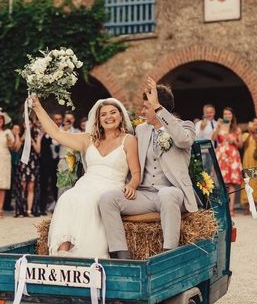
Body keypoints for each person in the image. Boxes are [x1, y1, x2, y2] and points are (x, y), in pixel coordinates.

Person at [31, 94, 140, 258]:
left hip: (111, 186)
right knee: (67, 198)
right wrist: (38, 107)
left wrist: (132, 185)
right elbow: (56, 133)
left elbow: (136, 172)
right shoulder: (88, 140)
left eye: (113, 112)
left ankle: (84, 254)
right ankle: (63, 253)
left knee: (89, 201)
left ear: (121, 116)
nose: (108, 117)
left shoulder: (128, 140)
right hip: (86, 184)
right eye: (103, 114)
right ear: (98, 119)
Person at [99, 78, 196, 259]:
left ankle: (169, 254)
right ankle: (121, 255)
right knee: (107, 199)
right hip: (145, 194)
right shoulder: (141, 130)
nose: (142, 112)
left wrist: (158, 107)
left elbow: (182, 140)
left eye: (146, 107)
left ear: (160, 108)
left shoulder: (185, 126)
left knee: (167, 195)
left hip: (174, 193)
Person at [211, 107, 243, 215]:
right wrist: (217, 127)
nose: (227, 116)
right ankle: (222, 208)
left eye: (229, 114)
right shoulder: (220, 127)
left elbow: (241, 145)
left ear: (232, 115)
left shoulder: (236, 129)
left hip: (232, 155)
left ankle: (231, 208)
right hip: (221, 155)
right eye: (225, 114)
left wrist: (234, 141)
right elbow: (213, 138)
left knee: (232, 183)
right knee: (221, 183)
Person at [15, 117, 42, 217]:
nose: (28, 126)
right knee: (22, 186)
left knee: (31, 187)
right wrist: (21, 138)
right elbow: (16, 148)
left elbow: (38, 150)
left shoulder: (36, 134)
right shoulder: (21, 134)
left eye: (29, 124)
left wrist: (32, 141)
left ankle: (29, 210)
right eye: (26, 124)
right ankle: (21, 210)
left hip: (32, 163)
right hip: (23, 163)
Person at [240, 117, 257, 212]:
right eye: (253, 122)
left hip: (256, 160)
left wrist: (254, 134)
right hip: (248, 160)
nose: (255, 124)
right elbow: (244, 146)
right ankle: (247, 205)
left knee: (256, 181)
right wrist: (250, 133)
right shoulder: (246, 134)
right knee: (247, 180)